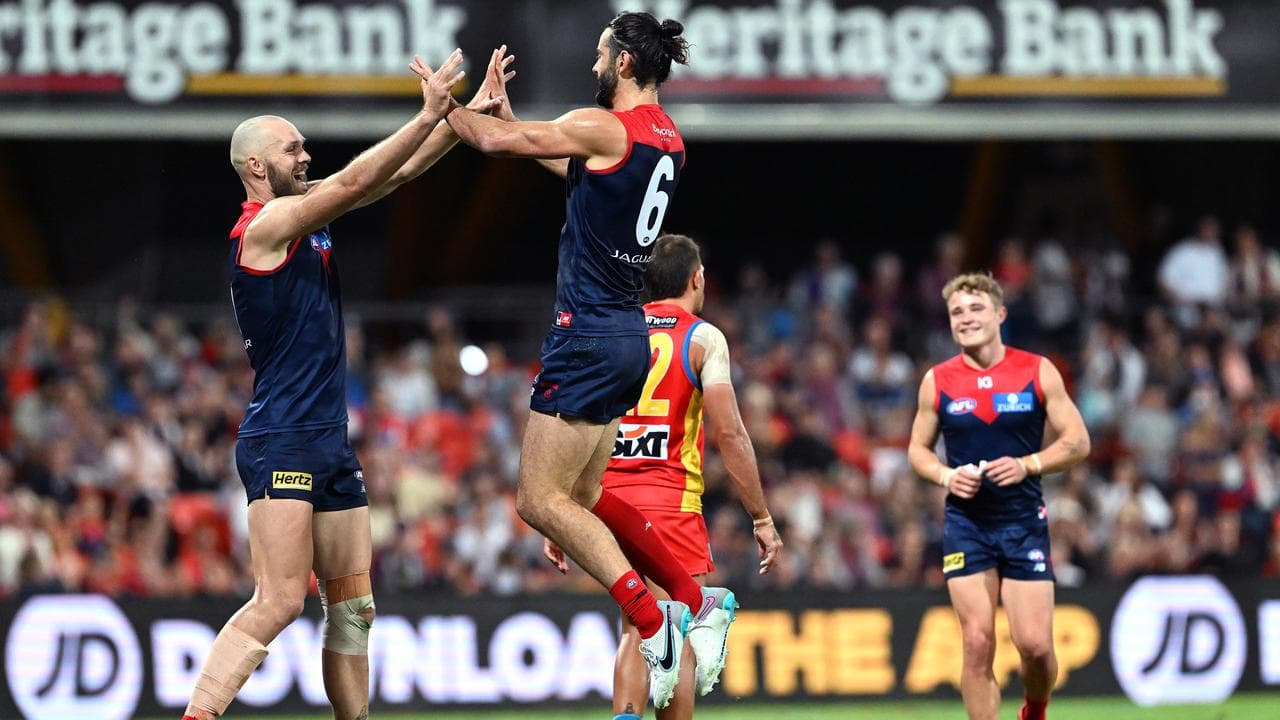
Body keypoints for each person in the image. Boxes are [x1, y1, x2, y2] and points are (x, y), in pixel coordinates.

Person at [180, 49, 512, 720]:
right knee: (278, 601)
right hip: (283, 441)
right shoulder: (266, 227)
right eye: (292, 147)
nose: (305, 155)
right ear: (255, 166)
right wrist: (425, 116)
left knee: (354, 605)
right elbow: (359, 178)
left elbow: (390, 175)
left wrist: (458, 120)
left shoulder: (304, 214)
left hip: (327, 443)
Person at [444, 12, 721, 708]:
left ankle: (653, 619)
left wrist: (444, 107)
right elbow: (585, 171)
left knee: (537, 500)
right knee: (591, 496)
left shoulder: (603, 124)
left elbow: (492, 140)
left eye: (602, 55)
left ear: (625, 62)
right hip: (628, 338)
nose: (594, 66)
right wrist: (517, 125)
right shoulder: (667, 141)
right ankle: (696, 599)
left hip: (587, 335)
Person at [545, 234, 784, 720]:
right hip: (670, 501)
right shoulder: (703, 338)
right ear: (697, 279)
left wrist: (562, 510)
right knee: (681, 627)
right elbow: (731, 435)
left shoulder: (612, 332)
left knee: (638, 625)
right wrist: (760, 515)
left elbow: (577, 421)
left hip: (606, 500)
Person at [907, 273, 1090, 720]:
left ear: (1000, 314)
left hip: (1023, 520)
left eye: (976, 309)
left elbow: (1078, 441)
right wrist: (947, 477)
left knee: (1035, 646)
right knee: (976, 641)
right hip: (967, 525)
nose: (966, 319)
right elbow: (917, 450)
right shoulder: (938, 380)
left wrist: (1028, 464)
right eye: (957, 313)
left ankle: (1036, 708)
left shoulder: (1036, 370)